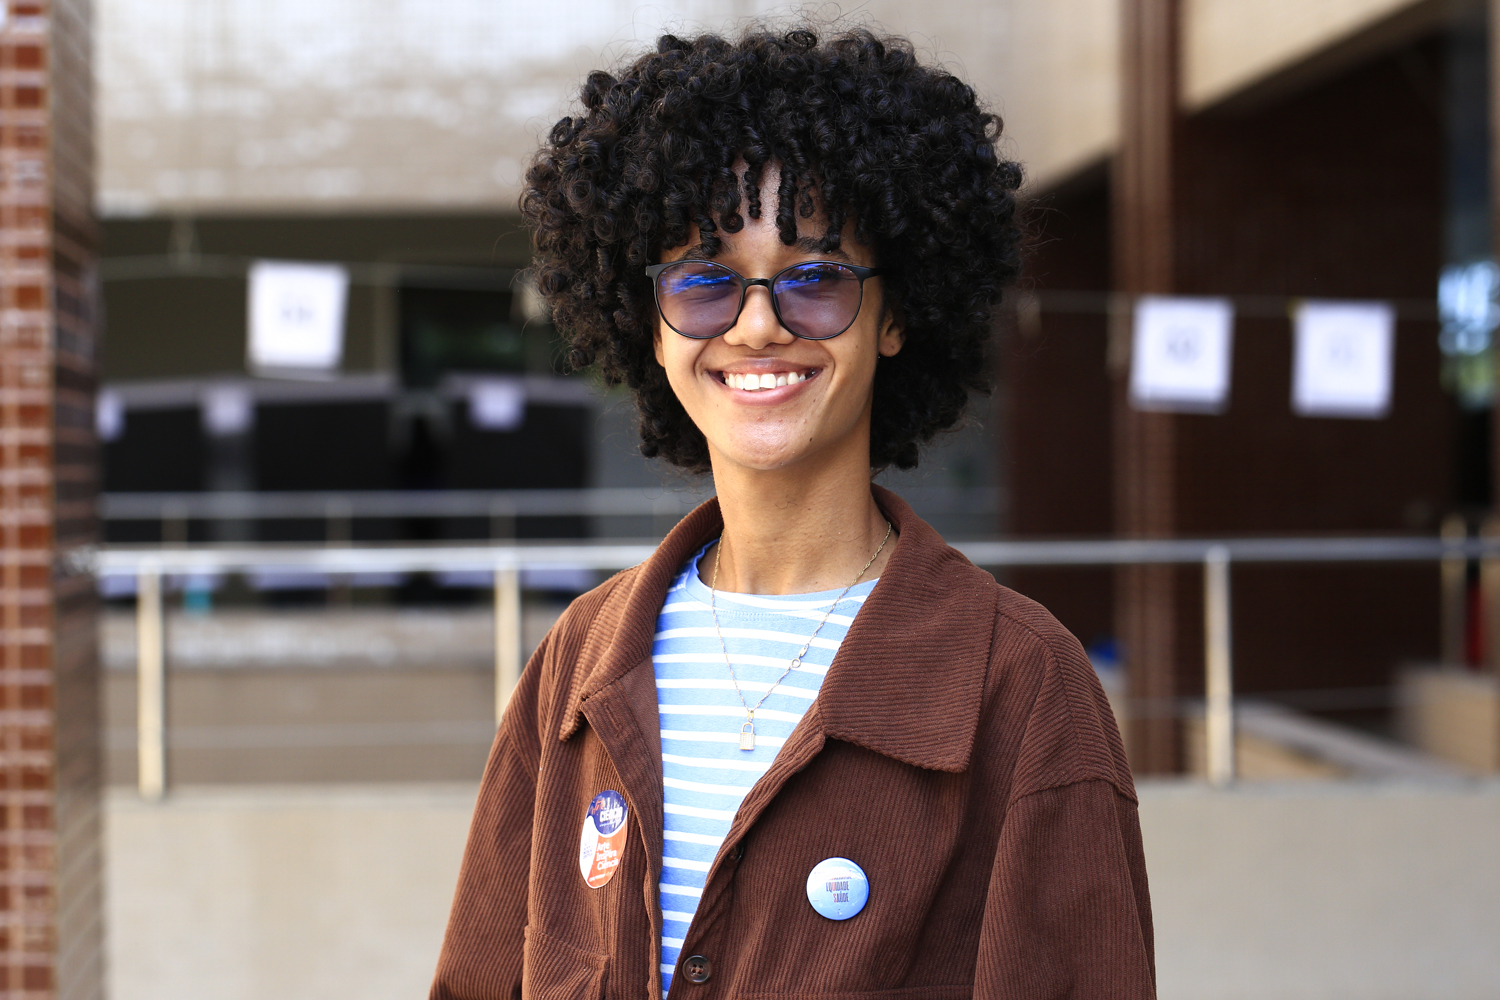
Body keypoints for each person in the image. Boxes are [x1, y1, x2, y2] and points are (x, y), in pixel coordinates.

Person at [432, 26, 1154, 1000]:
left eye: (816, 279)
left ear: (896, 316)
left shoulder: (1022, 689)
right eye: (704, 280)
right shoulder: (581, 661)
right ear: (649, 323)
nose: (758, 321)